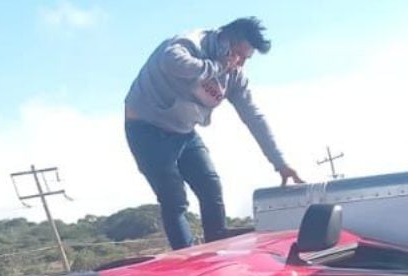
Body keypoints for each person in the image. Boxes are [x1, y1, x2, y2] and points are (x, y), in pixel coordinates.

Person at [125, 17, 303, 249]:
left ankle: (217, 251)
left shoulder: (235, 76)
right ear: (226, 42)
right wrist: (217, 66)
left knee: (211, 189)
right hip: (146, 128)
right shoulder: (192, 43)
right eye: (239, 55)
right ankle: (188, 259)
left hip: (184, 132)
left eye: (246, 59)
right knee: (174, 200)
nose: (240, 64)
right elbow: (172, 61)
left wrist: (280, 163)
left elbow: (253, 117)